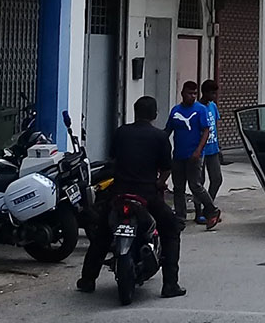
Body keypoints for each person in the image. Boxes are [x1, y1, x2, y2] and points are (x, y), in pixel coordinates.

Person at [76, 96, 186, 299]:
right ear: (154, 115)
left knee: (102, 235)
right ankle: (170, 284)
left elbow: (113, 159)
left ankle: (88, 280)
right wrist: (160, 182)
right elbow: (166, 168)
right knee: (171, 230)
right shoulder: (160, 137)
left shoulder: (121, 132)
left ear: (135, 113)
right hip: (147, 196)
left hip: (119, 194)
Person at [167, 81, 221, 229]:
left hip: (195, 155)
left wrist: (198, 150)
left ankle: (211, 210)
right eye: (189, 93)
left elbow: (206, 131)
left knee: (196, 185)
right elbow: (168, 130)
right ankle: (180, 216)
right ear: (182, 93)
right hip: (178, 155)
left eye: (194, 94)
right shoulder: (175, 111)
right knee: (178, 187)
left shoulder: (200, 110)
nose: (192, 96)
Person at [194, 80, 223, 225]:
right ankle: (199, 213)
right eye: (212, 93)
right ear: (204, 92)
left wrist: (219, 146)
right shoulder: (198, 108)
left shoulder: (213, 106)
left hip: (213, 148)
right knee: (199, 182)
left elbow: (215, 127)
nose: (214, 96)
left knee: (217, 179)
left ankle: (208, 207)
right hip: (201, 149)